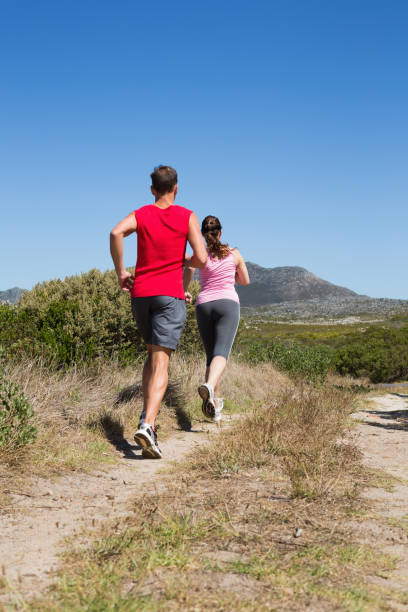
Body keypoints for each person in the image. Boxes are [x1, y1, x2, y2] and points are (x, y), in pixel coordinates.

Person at [110, 166, 207, 458]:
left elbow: (115, 232)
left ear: (152, 189)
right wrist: (184, 258)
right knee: (162, 362)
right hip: (169, 295)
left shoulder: (141, 214)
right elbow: (201, 258)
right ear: (176, 188)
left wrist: (121, 273)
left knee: (152, 355)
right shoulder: (186, 216)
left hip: (141, 294)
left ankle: (144, 415)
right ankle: (149, 425)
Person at [183, 215, 250, 422]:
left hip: (203, 305)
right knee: (222, 353)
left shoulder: (199, 255)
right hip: (227, 304)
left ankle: (213, 405)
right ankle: (210, 387)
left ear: (203, 234)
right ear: (220, 232)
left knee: (211, 357)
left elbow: (189, 269)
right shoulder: (234, 253)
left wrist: (183, 291)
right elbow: (245, 281)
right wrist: (233, 274)